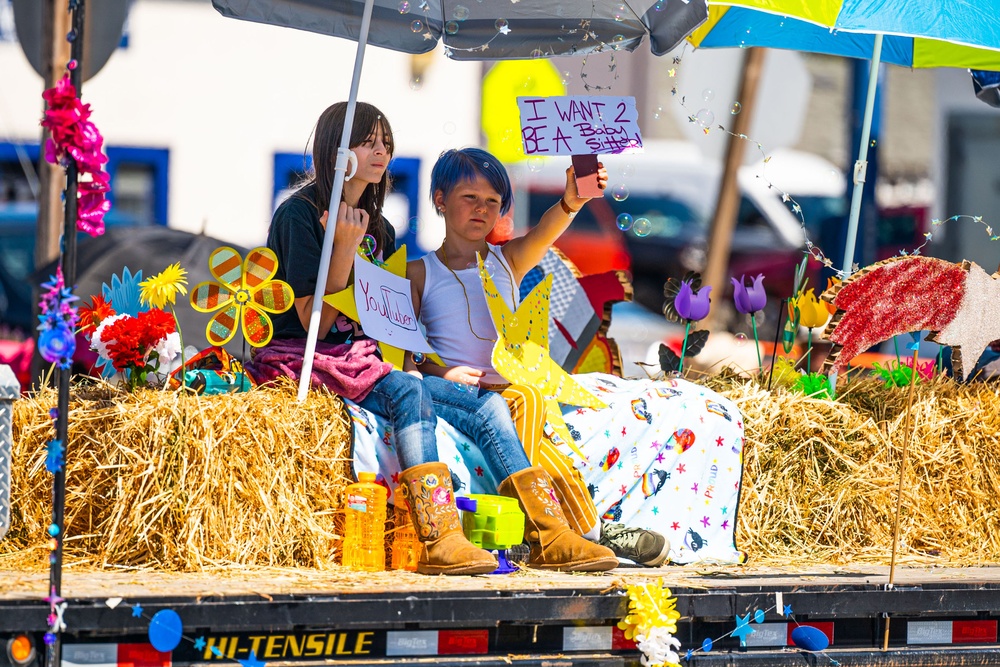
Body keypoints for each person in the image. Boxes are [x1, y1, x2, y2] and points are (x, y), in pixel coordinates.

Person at [251, 102, 617, 575]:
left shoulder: (378, 226)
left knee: (491, 407)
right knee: (409, 389)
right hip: (306, 358)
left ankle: (547, 534)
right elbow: (313, 326)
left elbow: (384, 323)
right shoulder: (299, 215)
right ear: (336, 150)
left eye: (386, 141)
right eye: (368, 141)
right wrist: (342, 248)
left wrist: (419, 362)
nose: (381, 150)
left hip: (361, 357)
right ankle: (440, 538)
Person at [407, 147, 670, 567]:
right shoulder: (419, 272)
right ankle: (576, 533)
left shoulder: (506, 261)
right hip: (453, 388)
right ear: (440, 199)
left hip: (508, 385)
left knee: (530, 403)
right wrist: (445, 371)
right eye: (469, 197)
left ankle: (574, 534)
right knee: (530, 402)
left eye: (493, 201)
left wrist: (573, 201)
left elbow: (547, 230)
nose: (482, 209)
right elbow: (408, 353)